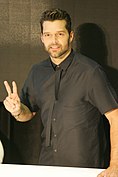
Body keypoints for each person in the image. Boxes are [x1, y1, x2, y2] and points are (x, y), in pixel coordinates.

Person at [3, 8, 118, 177]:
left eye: (60, 34)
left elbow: (115, 117)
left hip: (85, 168)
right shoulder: (37, 72)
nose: (54, 40)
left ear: (70, 36)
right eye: (48, 35)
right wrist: (18, 110)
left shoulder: (90, 72)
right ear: (42, 38)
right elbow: (29, 113)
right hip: (47, 166)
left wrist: (115, 165)